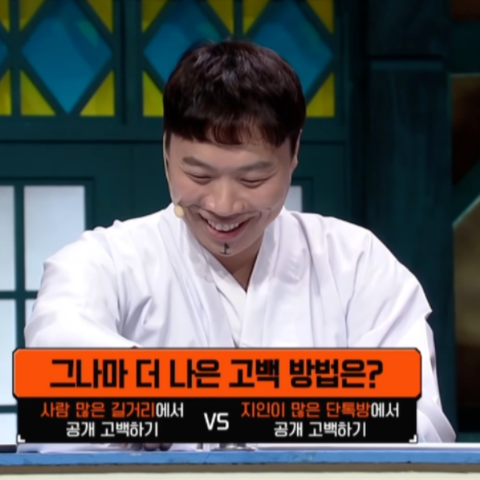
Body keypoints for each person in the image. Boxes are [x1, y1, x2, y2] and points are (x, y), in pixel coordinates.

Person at [21, 39, 455, 452]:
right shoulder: (100, 264)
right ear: (166, 151)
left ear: (294, 152)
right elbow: (57, 397)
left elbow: (417, 424)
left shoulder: (356, 264)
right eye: (199, 175)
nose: (223, 205)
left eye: (253, 179)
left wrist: (184, 408)